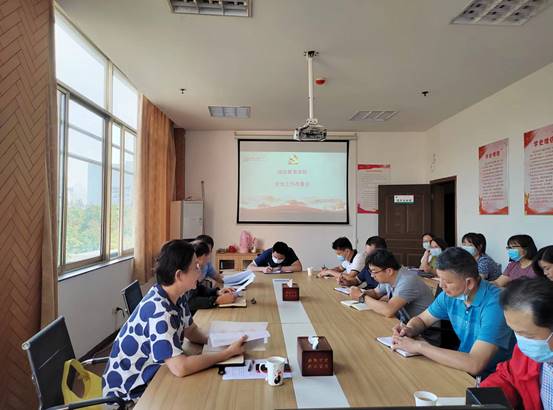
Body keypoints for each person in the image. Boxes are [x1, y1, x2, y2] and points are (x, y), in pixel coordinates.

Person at [102, 240, 246, 401]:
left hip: (153, 375)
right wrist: (227, 353)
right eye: (195, 267)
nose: (200, 271)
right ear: (179, 275)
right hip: (129, 395)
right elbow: (180, 368)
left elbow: (191, 331)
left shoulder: (176, 295)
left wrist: (221, 342)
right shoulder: (160, 311)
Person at [392, 247, 514, 378]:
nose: (441, 286)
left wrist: (420, 347)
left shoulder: (495, 305)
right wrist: (409, 329)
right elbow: (422, 320)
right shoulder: (450, 295)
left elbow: (475, 364)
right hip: (460, 366)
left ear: (469, 283)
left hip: (493, 377)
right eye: (440, 279)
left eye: (448, 282)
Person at [481, 278, 553, 410]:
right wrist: (484, 397)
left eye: (528, 335)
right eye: (515, 332)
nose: (522, 341)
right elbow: (508, 377)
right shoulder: (526, 354)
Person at [349, 249, 433, 322]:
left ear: (389, 271)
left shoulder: (407, 281)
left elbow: (388, 310)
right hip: (407, 323)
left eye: (374, 272)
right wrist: (359, 292)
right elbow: (375, 293)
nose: (372, 275)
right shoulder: (390, 276)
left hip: (426, 330)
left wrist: (362, 297)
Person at [186, 241, 238, 314]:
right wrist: (216, 300)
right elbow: (190, 302)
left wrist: (217, 292)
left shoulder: (193, 274)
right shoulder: (187, 275)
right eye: (196, 263)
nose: (199, 268)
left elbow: (200, 289)